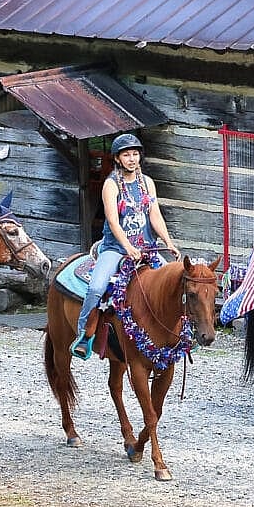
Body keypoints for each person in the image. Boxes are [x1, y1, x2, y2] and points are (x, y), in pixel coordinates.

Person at [70, 133, 180, 360]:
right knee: (96, 287)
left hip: (147, 248)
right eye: (126, 155)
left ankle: (178, 335)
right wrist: (128, 247)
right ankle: (84, 333)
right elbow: (112, 220)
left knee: (174, 284)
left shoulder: (147, 183)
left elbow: (154, 215)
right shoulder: (110, 185)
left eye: (135, 154)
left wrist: (168, 242)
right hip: (116, 249)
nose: (132, 159)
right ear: (118, 159)